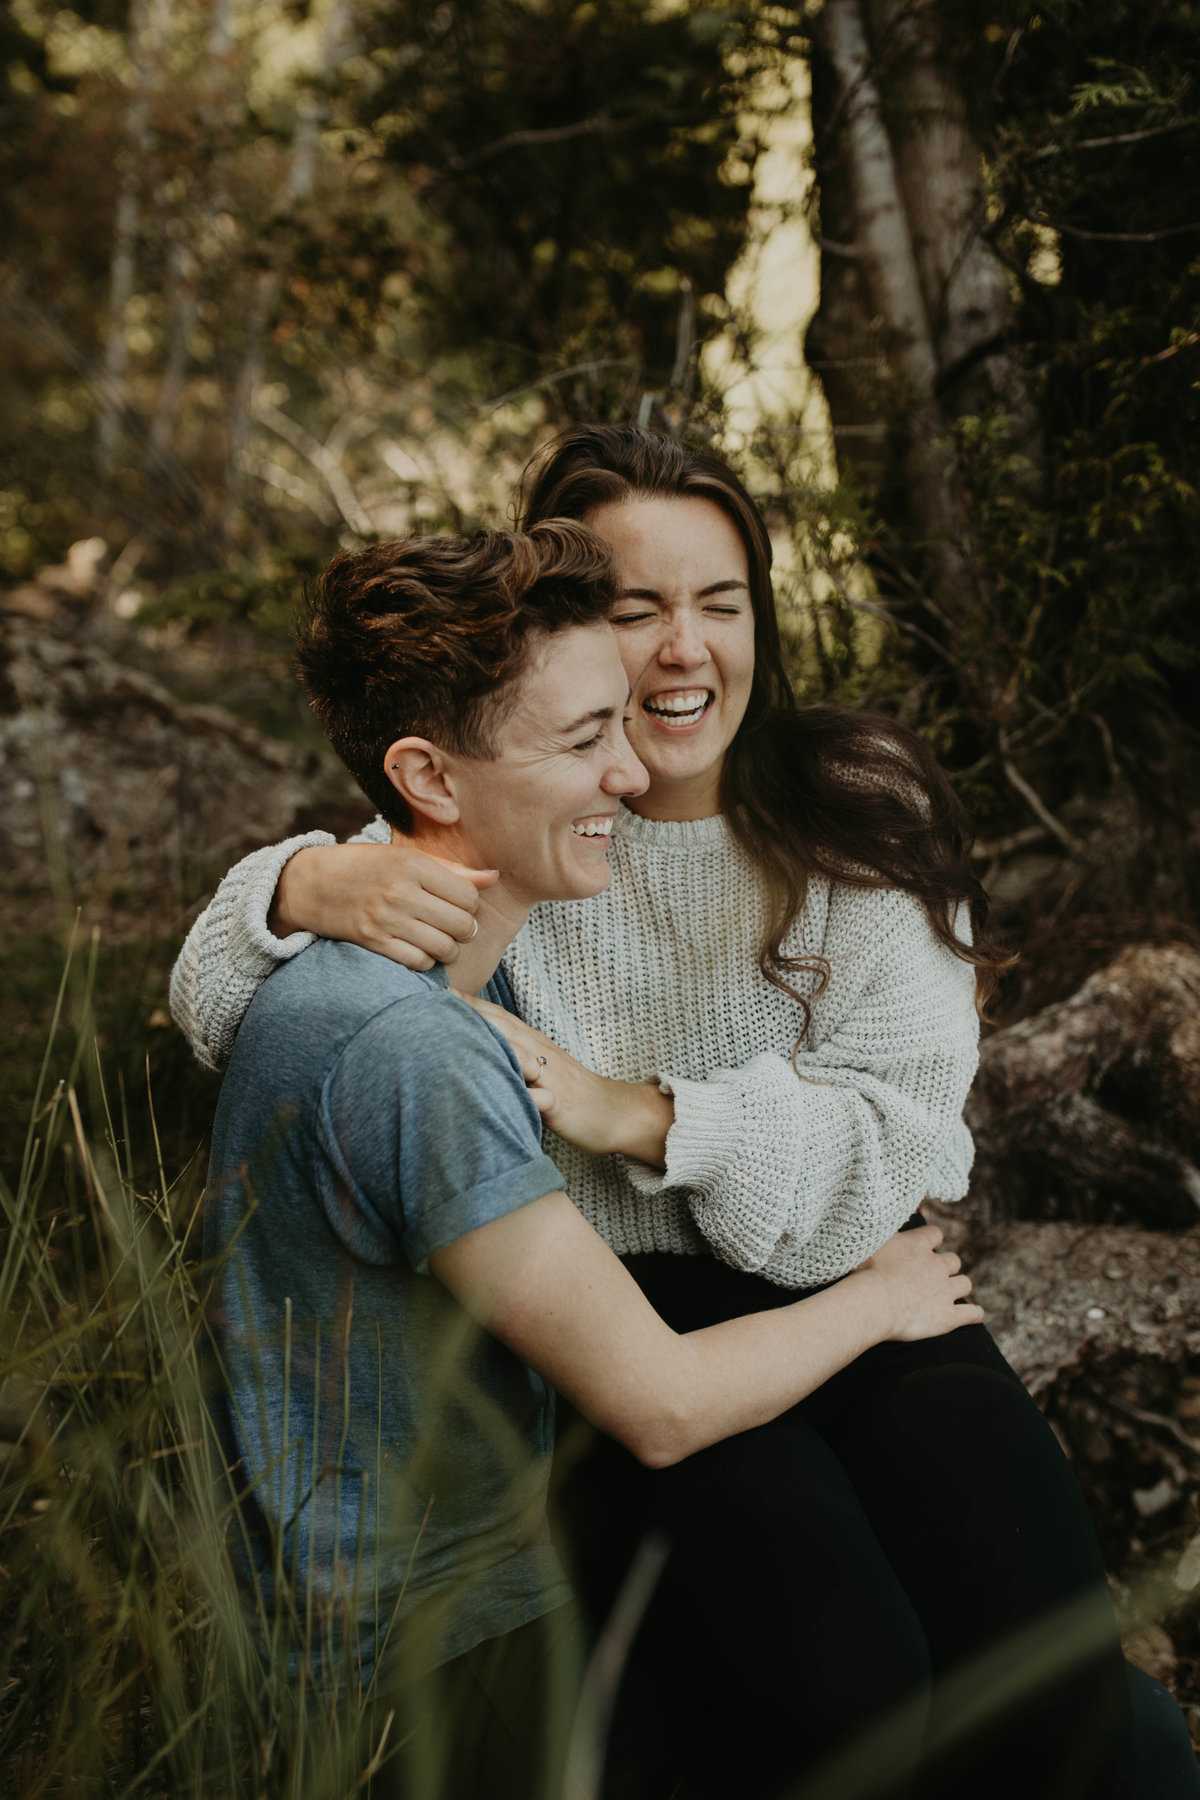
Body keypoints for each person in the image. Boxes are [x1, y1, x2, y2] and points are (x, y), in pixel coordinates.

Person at [176, 430, 1197, 1798]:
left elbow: (905, 1137)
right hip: (624, 1332)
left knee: (1062, 1689)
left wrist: (643, 1114)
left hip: (853, 1283)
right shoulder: (531, 803)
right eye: (636, 608)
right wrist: (297, 885)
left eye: (720, 603)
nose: (682, 649)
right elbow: (233, 999)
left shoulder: (855, 811)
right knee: (847, 1684)